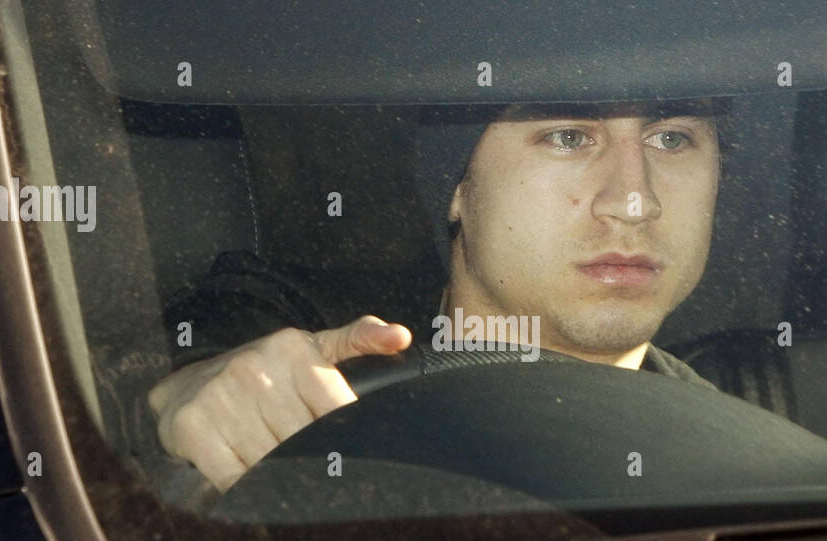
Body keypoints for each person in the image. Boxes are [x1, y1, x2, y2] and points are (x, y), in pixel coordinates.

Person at [148, 98, 727, 492]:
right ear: (454, 186)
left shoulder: (738, 445)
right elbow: (182, 362)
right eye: (568, 136)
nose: (634, 202)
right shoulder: (300, 325)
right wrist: (187, 388)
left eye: (671, 139)